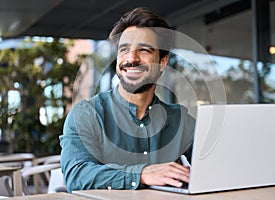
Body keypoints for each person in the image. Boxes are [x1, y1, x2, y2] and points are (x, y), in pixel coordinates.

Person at [59, 7, 195, 192]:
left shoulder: (181, 120)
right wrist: (142, 174)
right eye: (124, 50)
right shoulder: (86, 115)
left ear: (162, 62)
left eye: (144, 50)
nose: (131, 58)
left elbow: (217, 166)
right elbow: (77, 175)